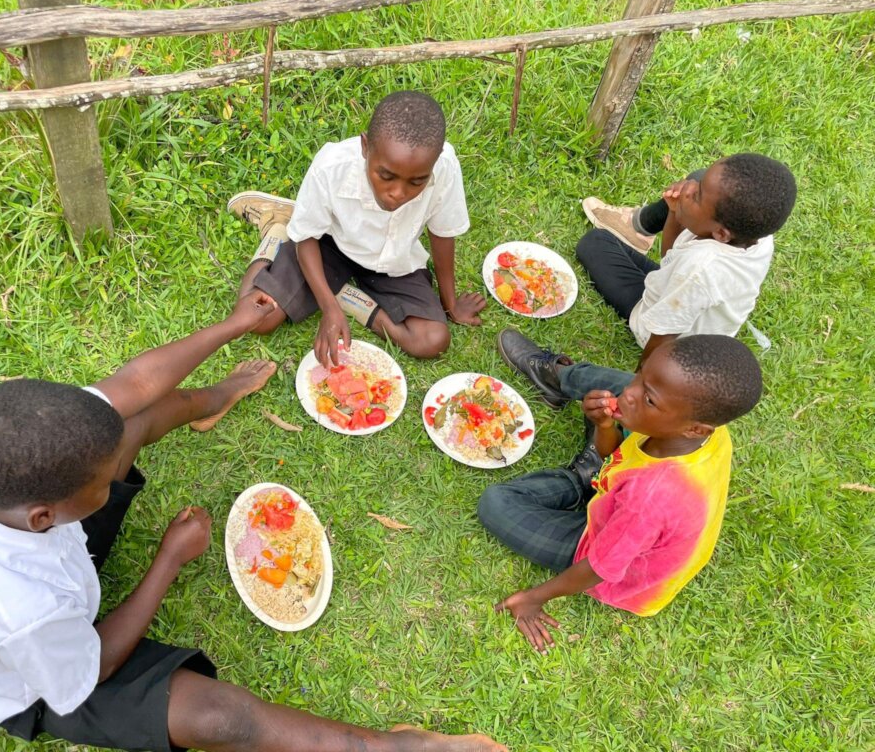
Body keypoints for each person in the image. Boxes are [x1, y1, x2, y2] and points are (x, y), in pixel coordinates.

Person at [0, 292, 506, 752]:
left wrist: (231, 326)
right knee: (220, 718)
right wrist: (167, 562)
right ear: (46, 513)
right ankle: (391, 746)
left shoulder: (20, 452)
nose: (111, 483)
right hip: (40, 678)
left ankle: (217, 396)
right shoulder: (17, 613)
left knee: (129, 423)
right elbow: (95, 664)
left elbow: (136, 384)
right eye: (101, 487)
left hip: (55, 568)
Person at [478, 335, 762, 654]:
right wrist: (603, 425)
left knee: (496, 503)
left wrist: (533, 598)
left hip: (610, 559)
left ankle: (582, 482)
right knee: (624, 384)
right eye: (642, 374)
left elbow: (599, 568)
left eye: (648, 399)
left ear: (696, 429)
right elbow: (626, 427)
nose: (629, 394)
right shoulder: (694, 426)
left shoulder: (651, 497)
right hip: (627, 500)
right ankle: (557, 376)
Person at [227, 90, 486, 366]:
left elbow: (443, 232)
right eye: (386, 176)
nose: (398, 193)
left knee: (433, 340)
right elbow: (306, 241)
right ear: (365, 147)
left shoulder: (444, 166)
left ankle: (349, 299)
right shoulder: (331, 167)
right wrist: (328, 308)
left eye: (417, 182)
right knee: (256, 318)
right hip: (328, 246)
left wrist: (451, 304)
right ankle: (277, 228)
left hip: (395, 259)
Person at [577, 154, 796, 366]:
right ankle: (640, 229)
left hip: (672, 337)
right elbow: (671, 261)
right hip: (691, 301)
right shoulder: (754, 233)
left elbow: (663, 335)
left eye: (697, 195)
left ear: (721, 234)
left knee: (595, 243)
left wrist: (640, 384)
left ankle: (638, 231)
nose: (689, 187)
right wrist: (674, 212)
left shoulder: (701, 269)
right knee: (700, 175)